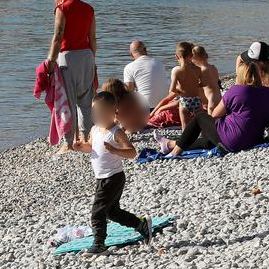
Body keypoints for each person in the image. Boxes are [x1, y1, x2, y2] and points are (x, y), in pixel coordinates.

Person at [167, 55, 269, 155]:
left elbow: (214, 115)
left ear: (240, 76)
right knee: (210, 140)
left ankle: (175, 152)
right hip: (253, 140)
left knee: (200, 118)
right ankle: (171, 144)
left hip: (233, 142)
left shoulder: (236, 91)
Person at [84, 90, 151, 255]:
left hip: (113, 177)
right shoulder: (94, 130)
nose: (97, 116)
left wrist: (115, 150)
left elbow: (132, 152)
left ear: (113, 113)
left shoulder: (116, 132)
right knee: (112, 212)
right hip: (101, 178)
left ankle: (99, 244)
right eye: (94, 112)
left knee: (98, 212)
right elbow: (91, 147)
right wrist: (81, 147)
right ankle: (140, 224)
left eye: (101, 112)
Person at [47, 0, 97, 149]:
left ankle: (68, 143)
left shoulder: (62, 9)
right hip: (87, 56)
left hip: (68, 57)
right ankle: (87, 138)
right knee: (86, 99)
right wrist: (93, 61)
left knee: (67, 100)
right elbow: (93, 38)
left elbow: (58, 36)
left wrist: (50, 61)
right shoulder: (88, 8)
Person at [161, 40, 209, 129]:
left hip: (184, 101)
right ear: (191, 56)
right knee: (201, 124)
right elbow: (204, 83)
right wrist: (195, 86)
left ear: (176, 56)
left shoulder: (177, 71)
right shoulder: (198, 70)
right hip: (196, 100)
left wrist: (180, 91)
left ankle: (186, 141)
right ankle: (204, 139)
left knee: (185, 125)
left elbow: (171, 90)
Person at [122, 40, 169, 109]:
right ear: (145, 50)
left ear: (131, 54)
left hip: (146, 108)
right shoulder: (159, 62)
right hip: (164, 106)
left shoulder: (129, 67)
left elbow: (128, 92)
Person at [191, 45, 223, 110]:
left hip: (212, 101)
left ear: (195, 59)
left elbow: (204, 84)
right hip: (219, 97)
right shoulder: (213, 67)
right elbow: (215, 81)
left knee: (211, 119)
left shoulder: (202, 70)